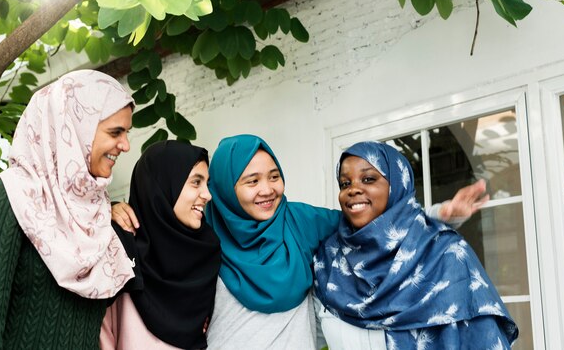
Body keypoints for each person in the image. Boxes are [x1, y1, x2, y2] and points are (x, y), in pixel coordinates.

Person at [112, 134, 488, 349]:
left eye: (273, 176)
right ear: (226, 187)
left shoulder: (302, 223)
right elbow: (159, 226)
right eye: (251, 180)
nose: (267, 190)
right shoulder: (203, 231)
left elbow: (366, 221)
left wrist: (439, 212)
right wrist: (111, 210)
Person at [0, 69, 136, 349]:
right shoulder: (9, 197)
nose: (125, 145)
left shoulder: (96, 213)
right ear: (75, 129)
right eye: (116, 132)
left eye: (126, 132)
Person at [313, 141, 518, 350]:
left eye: (368, 179)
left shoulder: (446, 254)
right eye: (345, 183)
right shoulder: (328, 263)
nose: (353, 189)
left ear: (397, 186)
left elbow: (481, 338)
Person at [100, 140, 220, 350]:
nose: (207, 195)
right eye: (196, 182)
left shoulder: (208, 250)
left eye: (207, 184)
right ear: (162, 185)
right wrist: (104, 211)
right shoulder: (119, 247)